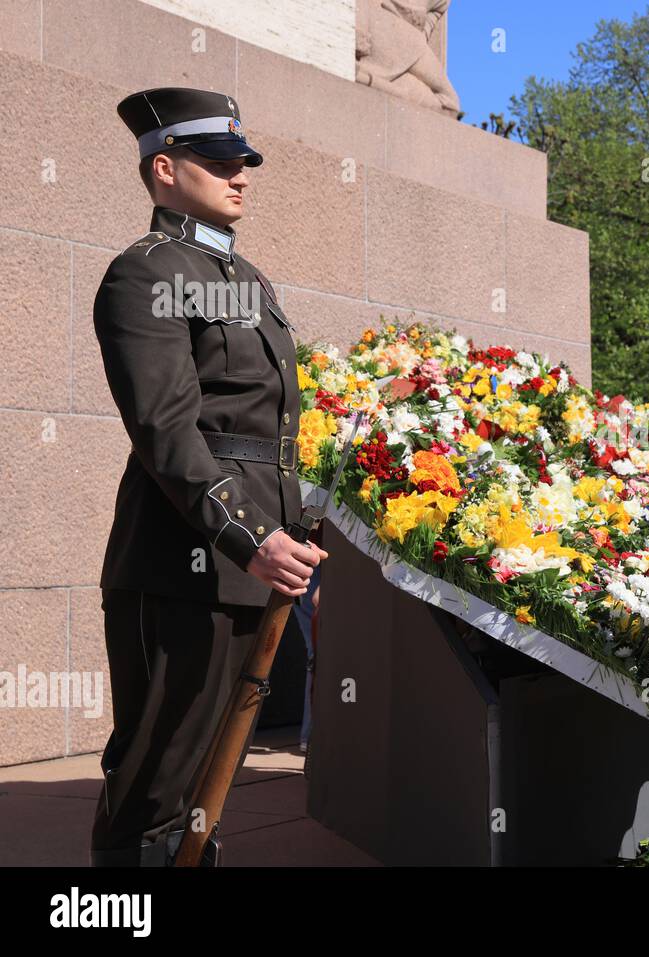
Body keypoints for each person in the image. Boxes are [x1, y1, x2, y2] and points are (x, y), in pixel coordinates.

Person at [89, 87, 328, 866]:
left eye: (245, 161)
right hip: (185, 565)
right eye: (220, 161)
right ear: (164, 169)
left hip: (252, 569)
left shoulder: (244, 278)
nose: (242, 175)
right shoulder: (144, 273)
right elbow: (167, 431)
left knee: (204, 795)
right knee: (156, 788)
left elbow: (266, 430)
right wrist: (254, 536)